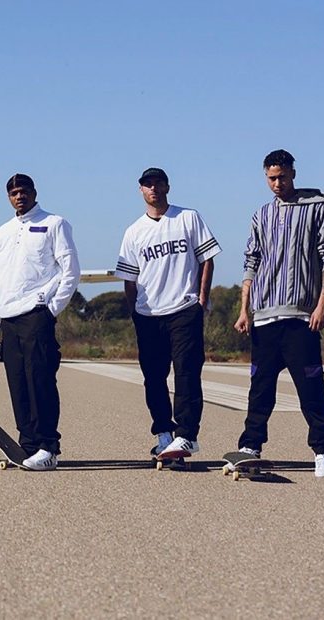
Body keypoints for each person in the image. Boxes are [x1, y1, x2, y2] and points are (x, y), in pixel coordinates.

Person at [232, 149, 324, 478]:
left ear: (293, 173)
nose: (277, 183)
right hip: (264, 315)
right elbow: (251, 261)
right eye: (271, 178)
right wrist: (244, 309)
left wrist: (322, 303)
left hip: (301, 316)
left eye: (281, 177)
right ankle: (250, 445)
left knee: (311, 388)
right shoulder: (262, 214)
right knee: (260, 388)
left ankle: (323, 450)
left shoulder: (317, 206)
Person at [115, 167, 221, 459]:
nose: (153, 188)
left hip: (184, 309)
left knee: (187, 373)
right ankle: (163, 433)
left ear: (167, 187)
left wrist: (202, 299)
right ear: (141, 190)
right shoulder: (134, 231)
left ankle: (187, 435)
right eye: (147, 184)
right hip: (148, 315)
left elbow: (207, 259)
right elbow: (129, 278)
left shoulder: (188, 218)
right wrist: (135, 312)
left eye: (158, 183)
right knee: (153, 378)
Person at [0, 173, 80, 471]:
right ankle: (27, 445)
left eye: (24, 191)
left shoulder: (55, 223)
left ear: (34, 193)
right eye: (14, 192)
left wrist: (51, 309)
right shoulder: (3, 232)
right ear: (8, 197)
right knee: (18, 384)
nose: (19, 196)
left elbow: (71, 271)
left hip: (37, 315)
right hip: (8, 317)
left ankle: (47, 447)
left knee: (40, 381)